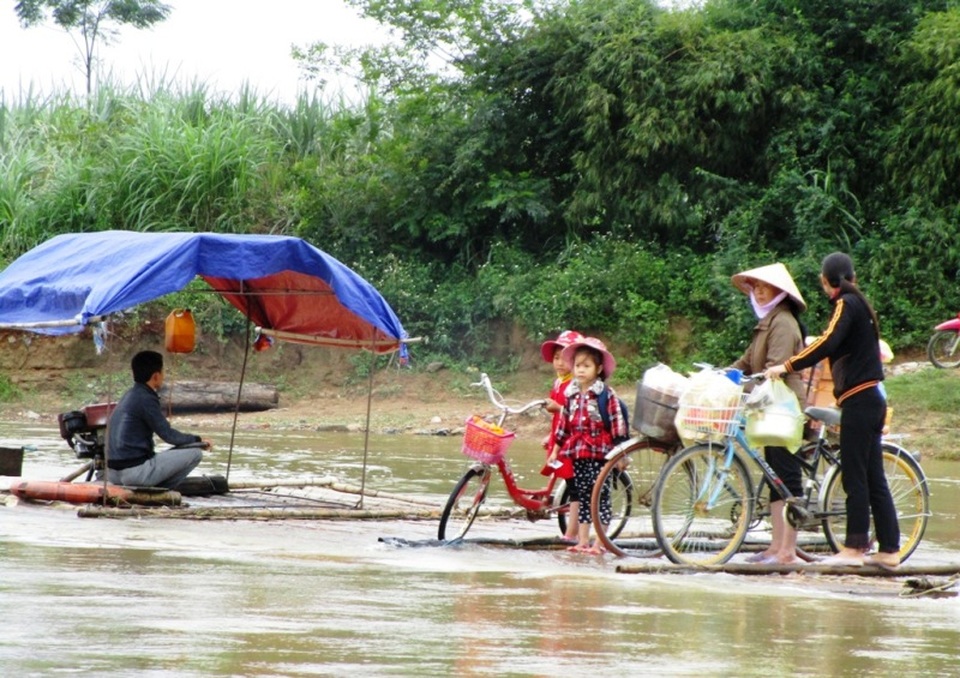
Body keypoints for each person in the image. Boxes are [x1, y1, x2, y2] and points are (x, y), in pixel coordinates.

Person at [765, 252, 900, 569]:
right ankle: (889, 549)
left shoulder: (845, 305)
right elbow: (834, 344)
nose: (824, 289)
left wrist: (786, 365)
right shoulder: (860, 305)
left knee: (856, 475)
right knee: (872, 475)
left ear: (830, 281)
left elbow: (827, 342)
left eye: (823, 283)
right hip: (870, 400)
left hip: (860, 401)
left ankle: (854, 548)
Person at [729, 263, 808, 565]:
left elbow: (775, 367)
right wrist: (724, 376)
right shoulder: (765, 324)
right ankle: (776, 547)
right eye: (755, 287)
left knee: (786, 476)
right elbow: (747, 361)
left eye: (765, 287)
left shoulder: (783, 323)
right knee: (774, 476)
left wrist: (748, 383)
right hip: (769, 407)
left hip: (785, 406)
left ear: (780, 293)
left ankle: (787, 551)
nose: (759, 292)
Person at [548, 337, 627, 554]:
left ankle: (600, 543)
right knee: (583, 496)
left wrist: (621, 454)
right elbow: (564, 426)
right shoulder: (571, 394)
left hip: (602, 454)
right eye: (578, 366)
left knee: (600, 498)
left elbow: (618, 425)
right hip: (579, 453)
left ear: (598, 369)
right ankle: (582, 541)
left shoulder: (605, 395)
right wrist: (556, 449)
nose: (581, 370)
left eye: (586, 366)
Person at [104, 350, 211, 489]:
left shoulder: (129, 395)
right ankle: (161, 491)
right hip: (134, 474)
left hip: (113, 474)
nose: (163, 376)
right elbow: (168, 435)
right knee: (195, 453)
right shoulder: (146, 398)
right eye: (163, 372)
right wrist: (198, 441)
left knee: (181, 449)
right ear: (155, 376)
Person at [539, 330, 585, 541]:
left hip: (574, 442)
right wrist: (551, 437)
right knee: (569, 481)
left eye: (565, 359)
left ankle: (571, 533)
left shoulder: (576, 385)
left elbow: (577, 413)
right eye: (556, 358)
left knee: (575, 488)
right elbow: (558, 418)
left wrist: (558, 407)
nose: (559, 363)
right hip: (561, 439)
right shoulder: (559, 382)